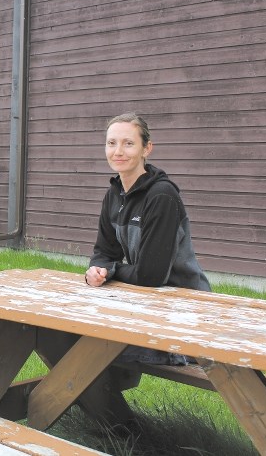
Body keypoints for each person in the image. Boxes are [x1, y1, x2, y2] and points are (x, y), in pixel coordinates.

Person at [85, 112, 210, 364]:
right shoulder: (114, 195)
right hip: (147, 305)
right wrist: (95, 271)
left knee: (94, 347)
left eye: (128, 143)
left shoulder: (161, 196)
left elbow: (149, 276)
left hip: (187, 315)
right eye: (112, 143)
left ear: (147, 149)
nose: (118, 151)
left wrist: (112, 271)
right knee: (75, 334)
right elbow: (103, 252)